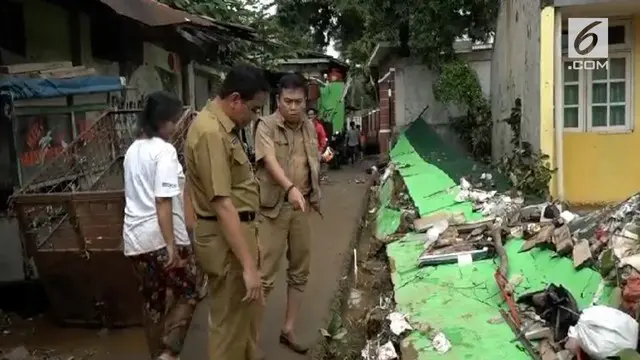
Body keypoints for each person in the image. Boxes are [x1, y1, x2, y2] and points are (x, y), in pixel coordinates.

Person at [184, 64, 269, 360]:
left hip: (235, 234)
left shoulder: (222, 128)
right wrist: (248, 266)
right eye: (254, 108)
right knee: (229, 326)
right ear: (235, 99)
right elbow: (222, 203)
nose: (255, 116)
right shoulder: (210, 133)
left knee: (243, 318)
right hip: (223, 239)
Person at [122, 91, 197, 360]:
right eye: (174, 120)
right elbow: (163, 202)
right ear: (162, 121)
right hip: (159, 239)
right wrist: (170, 246)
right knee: (189, 291)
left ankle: (156, 354)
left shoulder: (132, 150)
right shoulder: (164, 151)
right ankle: (169, 352)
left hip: (135, 241)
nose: (176, 126)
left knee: (152, 301)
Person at [254, 73, 322, 354]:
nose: (293, 107)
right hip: (273, 208)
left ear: (306, 101)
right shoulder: (265, 126)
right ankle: (250, 343)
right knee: (264, 277)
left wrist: (309, 193)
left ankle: (288, 329)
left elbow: (313, 162)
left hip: (301, 206)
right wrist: (290, 188)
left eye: (299, 102)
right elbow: (268, 161)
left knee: (300, 271)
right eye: (288, 101)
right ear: (278, 100)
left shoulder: (309, 127)